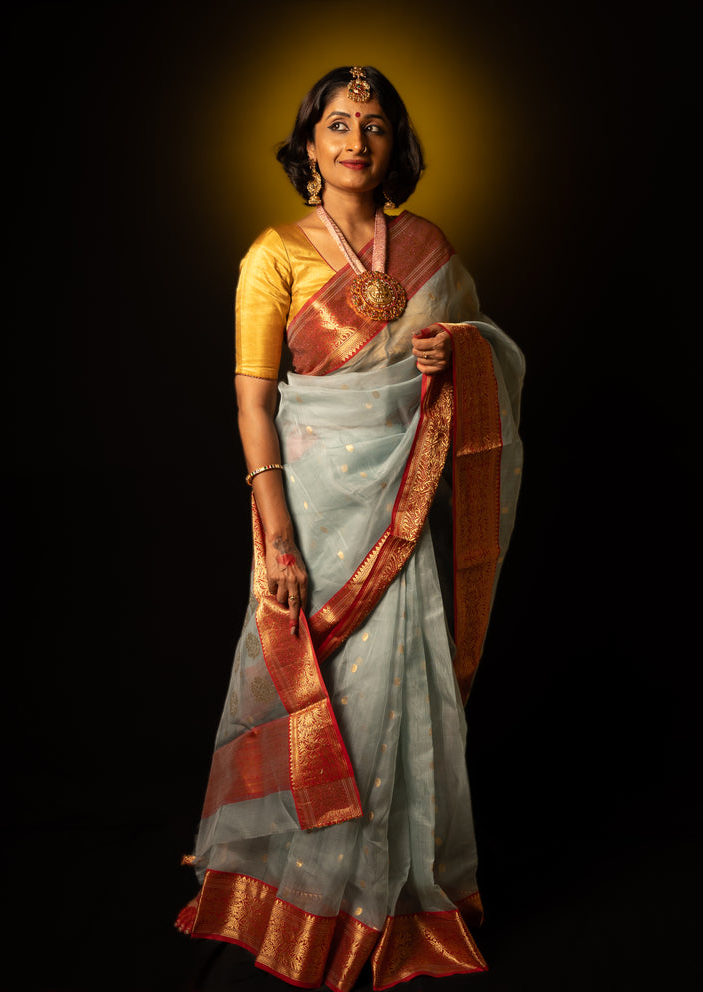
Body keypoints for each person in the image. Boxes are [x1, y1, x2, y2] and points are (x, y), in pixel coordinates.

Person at [175, 65, 524, 991]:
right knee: (309, 688)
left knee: (394, 694)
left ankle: (391, 897)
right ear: (310, 143)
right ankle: (290, 898)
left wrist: (451, 353)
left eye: (374, 124)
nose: (355, 139)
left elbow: (473, 355)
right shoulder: (273, 254)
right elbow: (254, 408)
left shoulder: (429, 248)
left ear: (394, 143)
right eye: (337, 122)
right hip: (314, 511)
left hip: (397, 513)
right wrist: (277, 540)